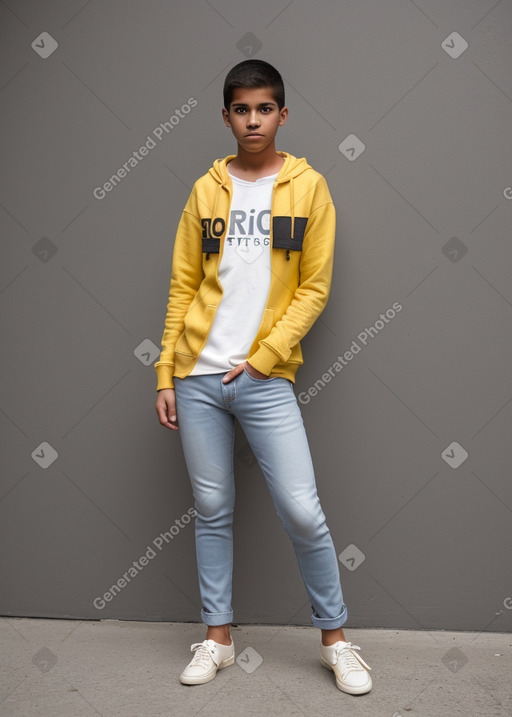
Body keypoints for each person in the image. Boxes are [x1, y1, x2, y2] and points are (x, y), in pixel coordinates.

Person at [155, 59, 372, 696]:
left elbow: (314, 288)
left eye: (265, 108)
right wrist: (166, 371)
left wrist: (263, 357)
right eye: (242, 110)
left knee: (303, 511)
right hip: (197, 375)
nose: (254, 120)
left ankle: (336, 641)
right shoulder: (204, 190)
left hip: (263, 376)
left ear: (282, 114)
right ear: (226, 116)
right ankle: (217, 639)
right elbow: (183, 286)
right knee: (213, 508)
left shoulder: (310, 188)